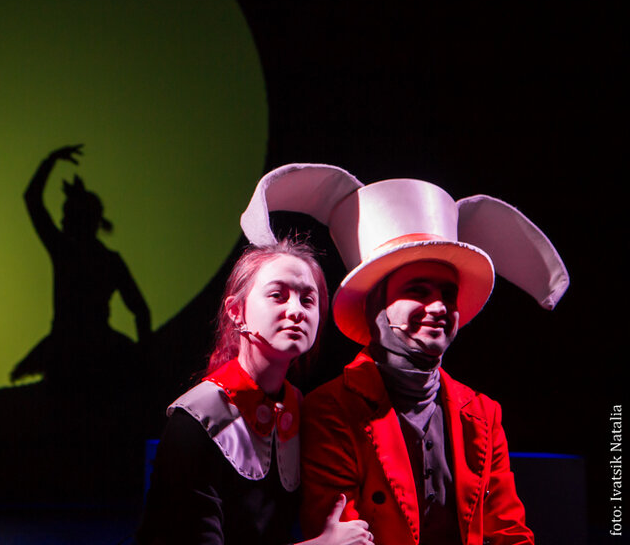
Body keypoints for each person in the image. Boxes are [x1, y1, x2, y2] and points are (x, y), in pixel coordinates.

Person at [238, 164, 569, 545]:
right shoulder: (332, 410)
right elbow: (342, 535)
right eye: (418, 290)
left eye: (448, 294)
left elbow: (508, 532)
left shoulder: (483, 414)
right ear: (376, 306)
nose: (439, 307)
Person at [138, 238, 373, 545]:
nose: (296, 311)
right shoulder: (197, 419)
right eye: (278, 295)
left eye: (308, 300)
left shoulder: (301, 407)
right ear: (236, 310)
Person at [10, 144, 151, 384]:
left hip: (66, 348)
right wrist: (145, 353)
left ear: (79, 218)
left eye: (66, 214)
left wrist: (51, 160)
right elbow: (140, 310)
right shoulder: (109, 260)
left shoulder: (65, 251)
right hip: (98, 344)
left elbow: (32, 200)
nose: (62, 220)